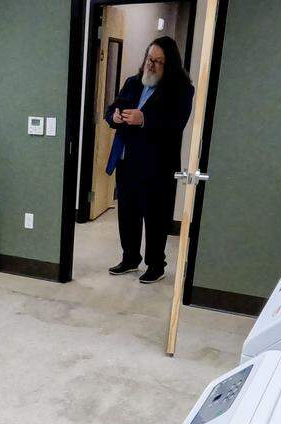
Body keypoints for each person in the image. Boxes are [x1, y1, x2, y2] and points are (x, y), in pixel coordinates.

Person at [103, 36, 194, 284]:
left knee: (155, 216)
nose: (150, 66)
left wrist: (144, 120)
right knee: (128, 212)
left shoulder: (181, 89)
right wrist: (116, 117)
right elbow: (110, 110)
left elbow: (176, 124)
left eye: (158, 62)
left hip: (158, 166)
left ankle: (156, 265)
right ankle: (130, 258)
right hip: (128, 160)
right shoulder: (133, 83)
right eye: (148, 59)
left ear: (169, 65)